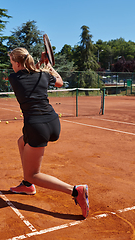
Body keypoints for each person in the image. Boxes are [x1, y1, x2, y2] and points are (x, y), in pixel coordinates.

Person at [8, 47, 89, 218]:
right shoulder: (43, 75)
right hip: (53, 122)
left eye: (12, 63)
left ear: (17, 63)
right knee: (21, 142)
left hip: (37, 127)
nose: (11, 66)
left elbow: (28, 74)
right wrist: (49, 65)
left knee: (34, 173)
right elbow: (58, 81)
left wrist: (41, 63)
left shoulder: (14, 77)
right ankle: (27, 185)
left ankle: (75, 191)